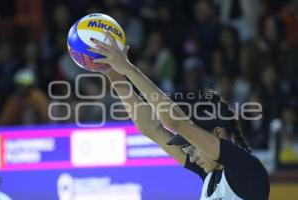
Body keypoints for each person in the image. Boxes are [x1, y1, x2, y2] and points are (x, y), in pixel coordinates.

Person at [87, 32, 270, 200]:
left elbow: (174, 121)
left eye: (193, 146)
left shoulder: (245, 168)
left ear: (217, 133)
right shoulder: (211, 175)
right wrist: (112, 74)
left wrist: (129, 70)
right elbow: (151, 128)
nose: (191, 156)